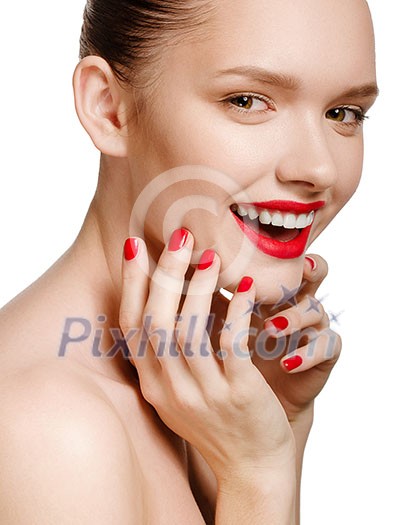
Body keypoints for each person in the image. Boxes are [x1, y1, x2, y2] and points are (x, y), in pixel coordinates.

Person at [0, 0, 378, 523]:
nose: (317, 167)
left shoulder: (209, 398)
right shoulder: (50, 429)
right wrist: (259, 474)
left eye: (344, 113)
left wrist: (281, 424)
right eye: (247, 101)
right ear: (110, 107)